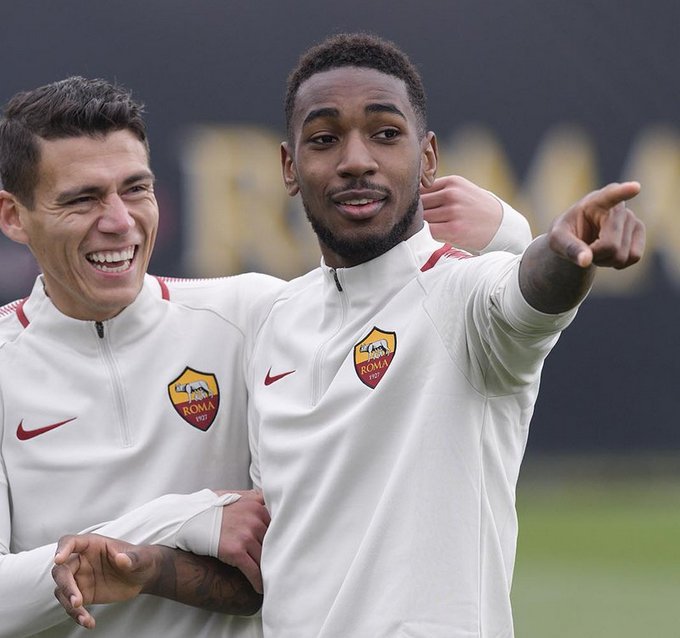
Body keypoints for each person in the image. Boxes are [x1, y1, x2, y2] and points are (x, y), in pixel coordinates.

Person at [0, 75, 530, 637]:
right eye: (82, 199)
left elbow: (428, 307)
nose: (118, 221)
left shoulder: (255, 314)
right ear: (13, 215)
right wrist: (181, 519)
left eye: (135, 190)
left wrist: (513, 237)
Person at [242, 33, 643, 637]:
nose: (356, 160)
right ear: (288, 167)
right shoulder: (274, 319)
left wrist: (563, 252)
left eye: (385, 133)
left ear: (428, 157)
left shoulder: (459, 292)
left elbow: (527, 296)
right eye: (324, 139)